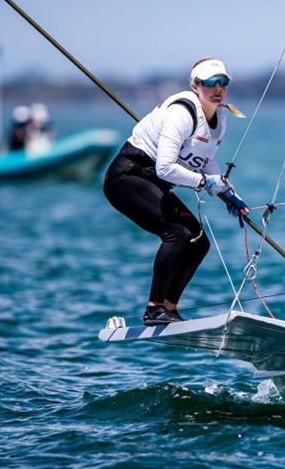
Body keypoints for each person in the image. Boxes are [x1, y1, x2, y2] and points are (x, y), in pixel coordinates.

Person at [103, 57, 248, 326]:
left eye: (223, 83)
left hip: (152, 181)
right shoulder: (181, 113)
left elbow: (207, 162)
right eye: (209, 83)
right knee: (178, 233)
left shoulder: (220, 120)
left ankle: (169, 307)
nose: (218, 89)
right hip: (126, 177)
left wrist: (228, 194)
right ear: (195, 85)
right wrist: (206, 184)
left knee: (199, 241)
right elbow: (166, 169)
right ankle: (154, 308)